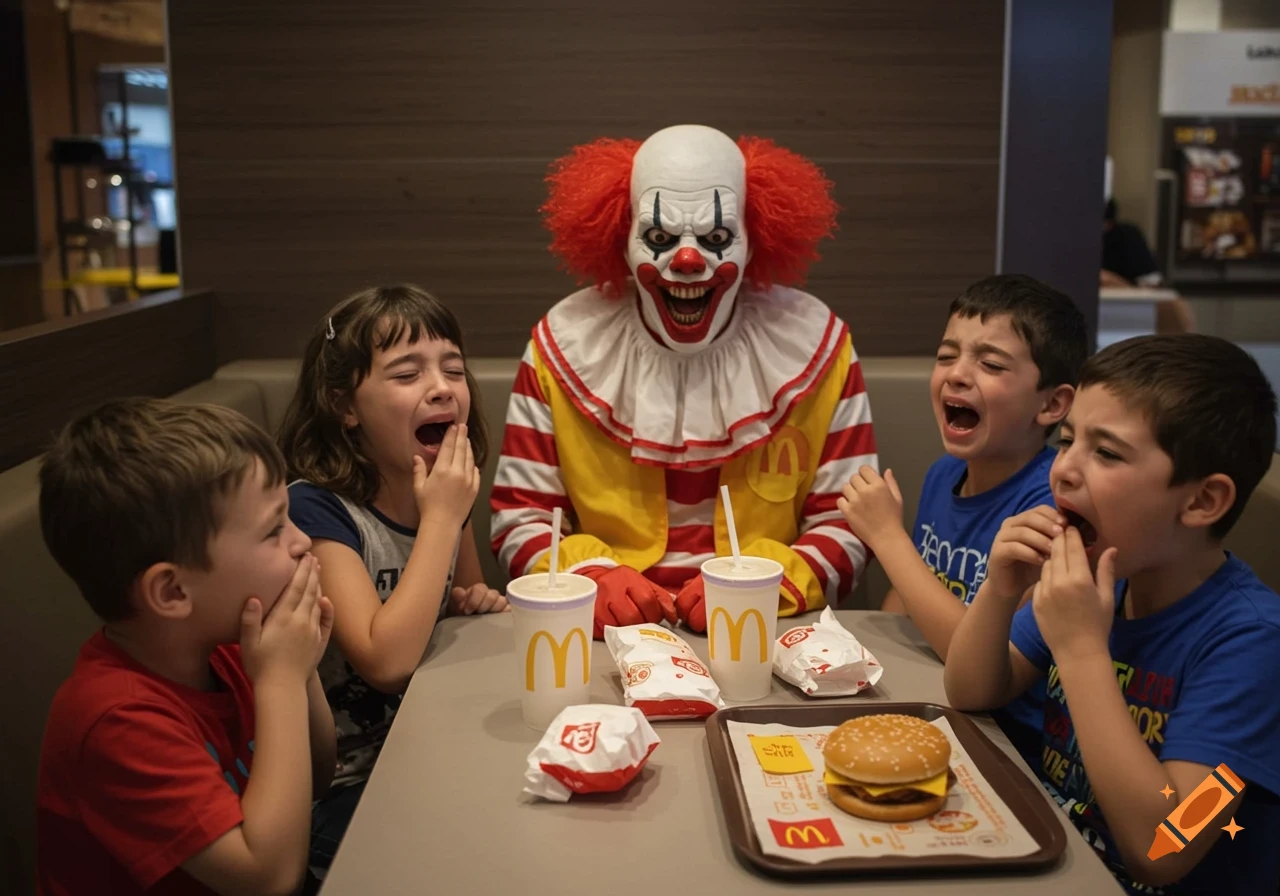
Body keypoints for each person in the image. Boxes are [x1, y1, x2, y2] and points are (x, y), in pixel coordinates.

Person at [490, 124, 877, 638]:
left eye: (717, 239)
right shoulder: (563, 348)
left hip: (766, 633)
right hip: (601, 635)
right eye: (659, 238)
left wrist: (769, 585)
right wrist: (590, 577)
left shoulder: (817, 349)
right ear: (621, 239)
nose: (689, 262)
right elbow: (520, 518)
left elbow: (851, 521)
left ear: (754, 240)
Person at [944, 334, 1280, 895]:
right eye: (1067, 439)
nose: (1064, 471)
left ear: (1201, 502)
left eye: (1106, 452)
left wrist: (1080, 650)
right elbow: (972, 690)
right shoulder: (1106, 579)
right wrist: (1001, 591)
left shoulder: (1255, 645)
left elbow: (1166, 846)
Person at [36, 398, 336, 896]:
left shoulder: (228, 647)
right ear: (173, 592)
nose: (302, 541)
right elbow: (268, 877)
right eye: (273, 529)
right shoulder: (118, 720)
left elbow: (317, 778)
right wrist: (281, 679)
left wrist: (302, 671)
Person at [278, 283, 507, 871]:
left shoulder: (439, 491)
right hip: (346, 786)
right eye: (407, 374)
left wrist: (471, 601)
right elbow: (384, 663)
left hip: (431, 745)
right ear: (344, 406)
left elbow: (455, 604)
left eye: (452, 369)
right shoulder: (315, 512)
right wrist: (442, 519)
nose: (441, 387)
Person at [838, 274, 1087, 767]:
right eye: (947, 355)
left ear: (1053, 404)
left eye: (990, 363)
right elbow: (905, 605)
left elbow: (975, 657)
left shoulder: (1050, 506)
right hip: (936, 704)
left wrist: (887, 538)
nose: (956, 373)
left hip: (1008, 740)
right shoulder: (944, 473)